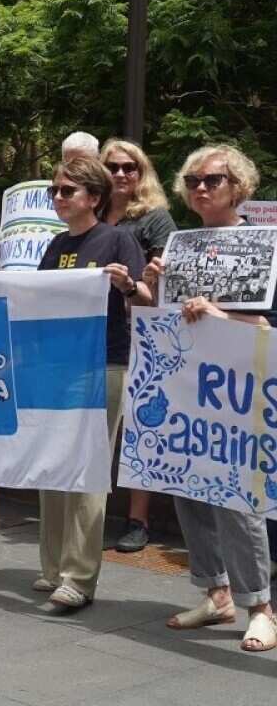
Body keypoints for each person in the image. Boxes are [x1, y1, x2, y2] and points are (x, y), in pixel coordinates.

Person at [139, 144, 275, 652]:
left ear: (237, 186)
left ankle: (260, 605)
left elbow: (270, 323)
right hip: (186, 387)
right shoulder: (181, 245)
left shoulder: (264, 246)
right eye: (192, 179)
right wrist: (147, 288)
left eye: (212, 180)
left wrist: (223, 318)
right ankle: (216, 593)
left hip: (239, 394)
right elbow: (167, 319)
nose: (199, 187)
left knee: (239, 499)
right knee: (187, 487)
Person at [33, 155, 145, 609]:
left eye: (67, 191)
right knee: (51, 465)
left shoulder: (117, 239)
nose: (58, 198)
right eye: (54, 191)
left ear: (94, 198)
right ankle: (53, 565)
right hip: (59, 367)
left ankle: (79, 577)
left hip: (104, 363)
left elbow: (147, 298)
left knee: (89, 469)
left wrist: (126, 286)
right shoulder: (55, 243)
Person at [98, 138, 178, 554]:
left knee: (139, 427)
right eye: (113, 166)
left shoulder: (154, 219)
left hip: (141, 335)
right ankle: (91, 511)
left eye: (132, 167)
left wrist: (149, 278)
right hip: (94, 333)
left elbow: (168, 280)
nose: (123, 174)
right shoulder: (90, 213)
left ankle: (138, 519)